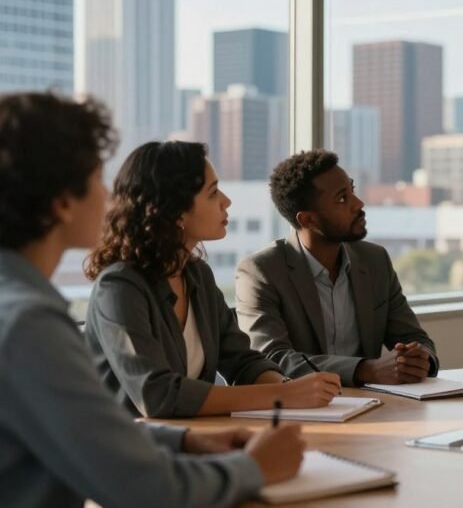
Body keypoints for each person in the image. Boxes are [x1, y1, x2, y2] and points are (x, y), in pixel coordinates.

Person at [0, 92, 305, 508]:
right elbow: (146, 489)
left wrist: (186, 441)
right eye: (96, 178)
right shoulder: (29, 324)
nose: (108, 194)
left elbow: (87, 428)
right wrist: (255, 468)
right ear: (63, 202)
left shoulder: (19, 308)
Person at [84, 141, 341, 418]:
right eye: (213, 192)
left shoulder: (197, 275)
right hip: (127, 452)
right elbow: (157, 395)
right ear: (176, 211)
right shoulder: (119, 287)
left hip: (194, 439)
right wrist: (284, 396)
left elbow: (242, 362)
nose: (226, 201)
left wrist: (291, 388)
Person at [236, 150, 438, 387]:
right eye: (342, 198)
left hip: (371, 407)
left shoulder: (375, 260)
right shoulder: (261, 271)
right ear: (307, 220)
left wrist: (419, 359)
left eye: (352, 190)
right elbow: (272, 359)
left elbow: (413, 337)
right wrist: (365, 370)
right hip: (303, 412)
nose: (359, 204)